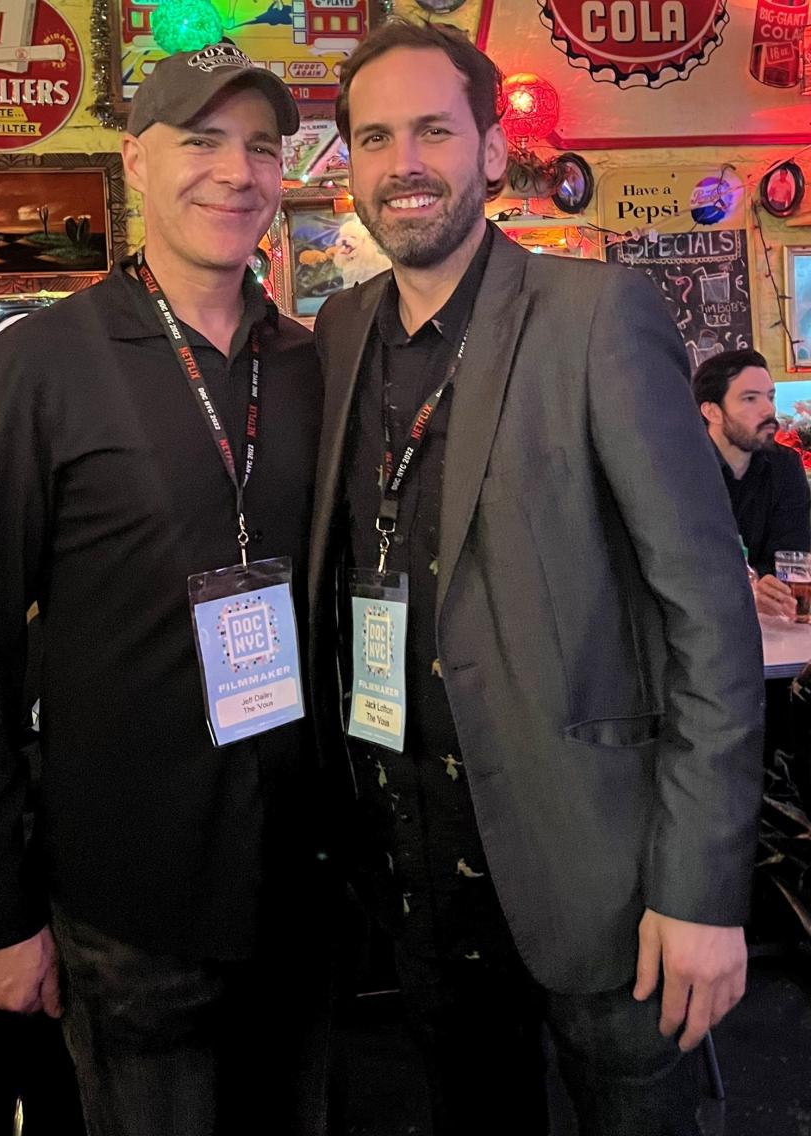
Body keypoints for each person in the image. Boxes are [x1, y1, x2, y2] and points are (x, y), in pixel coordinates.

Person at [308, 20, 764, 1136]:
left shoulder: (595, 315)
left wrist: (702, 888)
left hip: (600, 870)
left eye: (431, 130)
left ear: (492, 150)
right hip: (416, 868)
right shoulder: (339, 327)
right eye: (373, 137)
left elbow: (708, 612)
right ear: (350, 167)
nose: (402, 162)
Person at [0, 42, 329, 1136]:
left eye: (260, 148)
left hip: (301, 883)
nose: (236, 173)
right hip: (129, 897)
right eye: (201, 141)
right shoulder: (43, 360)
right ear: (136, 161)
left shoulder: (308, 362)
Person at [692, 348, 810, 619]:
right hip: (702, 622)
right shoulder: (682, 470)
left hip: (773, 626)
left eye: (770, 397)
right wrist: (744, 591)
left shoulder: (785, 466)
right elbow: (678, 565)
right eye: (749, 399)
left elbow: (792, 554)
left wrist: (769, 587)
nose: (768, 409)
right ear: (712, 411)